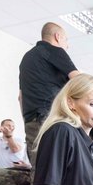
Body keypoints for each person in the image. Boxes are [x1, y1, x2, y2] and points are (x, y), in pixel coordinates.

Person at [19, 22, 80, 162]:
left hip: (30, 121)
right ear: (58, 37)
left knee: (38, 167)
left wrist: (27, 119)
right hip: (52, 117)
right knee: (59, 166)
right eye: (66, 40)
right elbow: (79, 81)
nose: (67, 45)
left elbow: (20, 97)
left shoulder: (26, 59)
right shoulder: (54, 50)